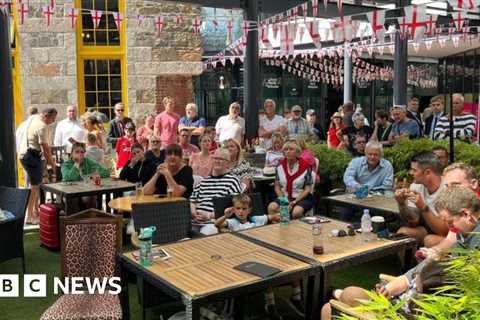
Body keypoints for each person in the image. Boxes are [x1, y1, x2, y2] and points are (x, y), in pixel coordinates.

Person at [320, 257, 446, 320]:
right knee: (350, 293)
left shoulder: (435, 295)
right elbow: (406, 279)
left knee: (327, 308)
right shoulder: (437, 264)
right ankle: (337, 293)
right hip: (392, 304)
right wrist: (387, 290)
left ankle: (335, 293)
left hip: (394, 314)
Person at [395, 151, 449, 246]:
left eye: (414, 170)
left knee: (430, 240)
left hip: (448, 233)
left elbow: (444, 232)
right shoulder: (416, 186)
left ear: (427, 172)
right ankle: (404, 261)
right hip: (426, 229)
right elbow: (413, 223)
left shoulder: (447, 189)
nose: (410, 173)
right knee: (403, 233)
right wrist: (402, 204)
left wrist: (423, 207)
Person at [19, 108, 57, 224]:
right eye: (53, 119)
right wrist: (52, 164)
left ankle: (35, 211)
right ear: (46, 116)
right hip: (32, 156)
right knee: (34, 187)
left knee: (35, 185)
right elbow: (45, 147)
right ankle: (29, 216)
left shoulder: (34, 119)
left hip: (24, 154)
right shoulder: (42, 126)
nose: (53, 121)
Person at [341, 141, 394, 220]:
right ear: (365, 153)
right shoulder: (356, 162)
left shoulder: (387, 166)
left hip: (376, 199)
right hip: (355, 196)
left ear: (381, 155)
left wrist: (369, 191)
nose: (372, 157)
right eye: (370, 154)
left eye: (375, 155)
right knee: (344, 214)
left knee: (367, 216)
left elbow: (387, 185)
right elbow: (347, 177)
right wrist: (358, 186)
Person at [190, 148, 243, 223]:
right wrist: (193, 212)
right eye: (215, 158)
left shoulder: (232, 181)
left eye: (221, 159)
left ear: (228, 163)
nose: (217, 161)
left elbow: (237, 207)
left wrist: (209, 216)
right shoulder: (205, 181)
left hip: (214, 222)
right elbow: (192, 200)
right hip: (194, 219)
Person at [267, 140, 314, 219]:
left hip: (301, 198)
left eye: (291, 149)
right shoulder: (280, 166)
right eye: (286, 149)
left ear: (297, 152)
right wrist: (284, 201)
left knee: (296, 212)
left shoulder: (305, 166)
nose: (288, 152)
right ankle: (281, 227)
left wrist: (294, 202)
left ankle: (297, 230)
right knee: (271, 207)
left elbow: (307, 189)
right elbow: (277, 187)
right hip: (284, 197)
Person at [215, 194, 279, 232]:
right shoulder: (232, 222)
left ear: (249, 210)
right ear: (233, 209)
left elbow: (275, 216)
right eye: (238, 208)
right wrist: (225, 216)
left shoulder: (255, 219)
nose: (241, 211)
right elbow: (217, 224)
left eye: (244, 209)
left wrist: (285, 212)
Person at [16, 106, 39, 187]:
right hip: (32, 153)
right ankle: (34, 196)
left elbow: (17, 141)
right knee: (35, 180)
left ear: (28, 114)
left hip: (22, 154)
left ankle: (27, 193)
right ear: (37, 113)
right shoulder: (37, 124)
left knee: (27, 175)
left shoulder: (21, 125)